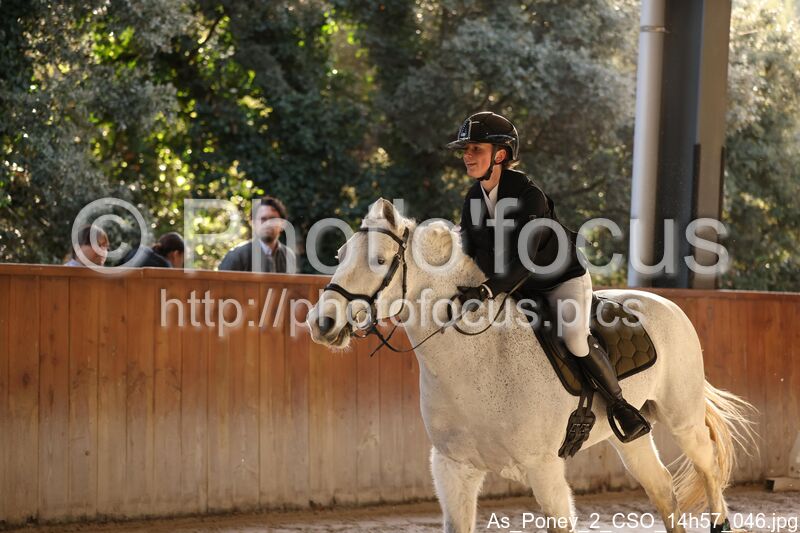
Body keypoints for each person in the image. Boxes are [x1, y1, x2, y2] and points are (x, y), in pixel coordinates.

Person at [447, 111, 649, 442]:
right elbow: (467, 247)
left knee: (575, 338)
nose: (467, 156)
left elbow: (526, 260)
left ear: (500, 155)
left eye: (475, 149)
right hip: (518, 287)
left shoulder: (529, 196)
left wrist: (486, 290)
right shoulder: (473, 199)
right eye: (465, 150)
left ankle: (620, 406)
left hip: (559, 281)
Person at [218, 196, 296, 273]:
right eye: (263, 219)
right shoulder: (236, 255)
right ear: (253, 223)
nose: (268, 224)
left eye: (273, 219)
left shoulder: (288, 256)